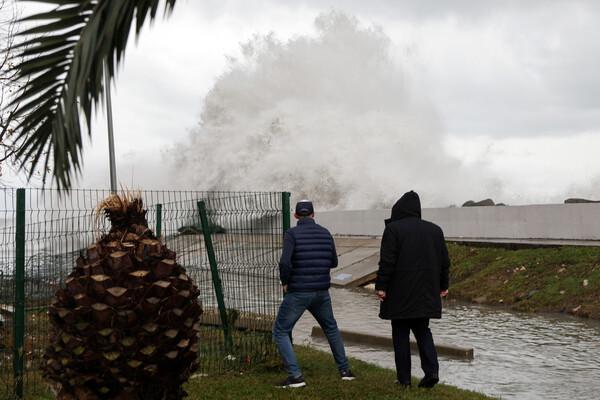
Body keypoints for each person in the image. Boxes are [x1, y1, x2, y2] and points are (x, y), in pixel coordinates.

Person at [272, 200, 355, 388]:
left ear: (295, 216)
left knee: (280, 331)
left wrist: (285, 282)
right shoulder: (325, 233)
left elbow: (285, 263)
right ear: (313, 214)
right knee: (331, 329)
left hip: (299, 292)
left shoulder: (292, 234)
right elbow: (333, 262)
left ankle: (295, 377)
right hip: (322, 292)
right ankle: (345, 371)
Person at [375, 190, 450, 389]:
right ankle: (431, 372)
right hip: (426, 293)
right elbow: (445, 263)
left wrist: (381, 286)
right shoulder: (435, 230)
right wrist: (443, 286)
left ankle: (404, 380)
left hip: (400, 293)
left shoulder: (393, 230)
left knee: (400, 334)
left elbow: (387, 261)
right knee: (423, 331)